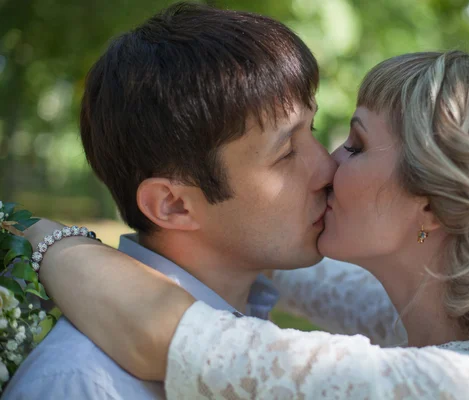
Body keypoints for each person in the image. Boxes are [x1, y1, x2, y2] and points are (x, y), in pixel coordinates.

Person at [23, 51, 469, 399]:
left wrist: (34, 233)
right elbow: (256, 250)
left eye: (356, 143)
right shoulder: (440, 306)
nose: (326, 164)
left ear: (431, 205)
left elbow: (174, 337)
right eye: (294, 147)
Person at [4, 3, 405, 399]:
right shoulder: (80, 386)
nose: (327, 168)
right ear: (174, 205)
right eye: (286, 153)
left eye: (312, 129)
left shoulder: (252, 315)